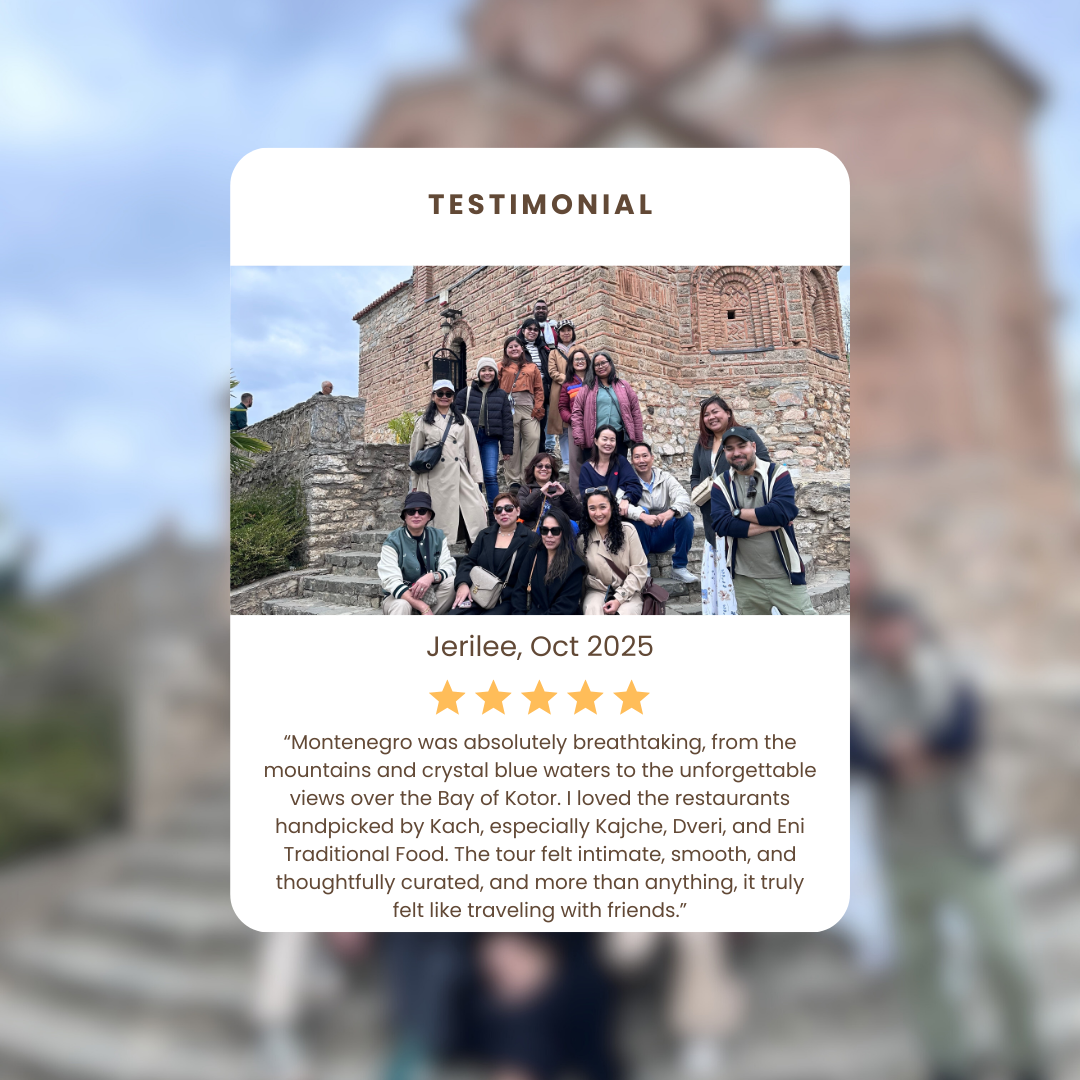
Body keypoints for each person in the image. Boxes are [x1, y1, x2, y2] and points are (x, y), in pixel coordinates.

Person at [851, 594, 1044, 1080]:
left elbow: (963, 737)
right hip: (903, 852)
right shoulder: (857, 690)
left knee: (1006, 955)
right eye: (880, 630)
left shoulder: (951, 676)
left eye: (897, 627)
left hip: (965, 844)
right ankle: (949, 1061)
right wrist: (904, 758)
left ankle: (1027, 1058)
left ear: (912, 629)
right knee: (920, 968)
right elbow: (856, 756)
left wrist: (906, 751)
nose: (890, 638)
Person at [710, 427, 814, 615]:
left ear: (753, 446)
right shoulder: (721, 484)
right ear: (724, 452)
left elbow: (781, 512)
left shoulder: (777, 474)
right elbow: (722, 524)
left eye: (742, 446)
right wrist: (770, 525)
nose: (736, 453)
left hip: (785, 576)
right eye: (730, 448)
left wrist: (736, 512)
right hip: (745, 579)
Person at [691, 397, 764, 616]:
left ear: (728, 412)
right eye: (706, 414)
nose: (711, 417)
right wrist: (700, 490)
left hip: (739, 516)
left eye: (715, 412)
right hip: (713, 519)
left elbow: (763, 467)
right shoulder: (703, 444)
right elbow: (695, 475)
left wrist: (746, 498)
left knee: (743, 582)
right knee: (721, 581)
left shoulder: (747, 434)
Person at [409, 380, 489, 545]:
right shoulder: (424, 421)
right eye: (440, 393)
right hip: (433, 475)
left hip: (459, 472)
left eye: (448, 394)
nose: (444, 397)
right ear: (433, 396)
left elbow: (472, 452)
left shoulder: (463, 420)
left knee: (476, 511)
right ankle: (437, 551)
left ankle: (473, 547)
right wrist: (415, 483)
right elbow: (415, 455)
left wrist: (476, 480)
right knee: (437, 516)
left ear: (453, 397)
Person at [449, 491, 533, 615]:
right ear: (494, 515)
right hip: (478, 593)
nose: (503, 512)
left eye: (508, 508)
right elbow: (469, 561)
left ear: (518, 511)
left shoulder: (530, 538)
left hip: (507, 599)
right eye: (498, 510)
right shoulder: (484, 535)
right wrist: (462, 584)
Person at [626, 442, 697, 584]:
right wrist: (643, 516)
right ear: (632, 461)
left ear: (652, 458)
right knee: (640, 514)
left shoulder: (665, 477)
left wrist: (671, 511)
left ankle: (679, 567)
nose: (641, 460)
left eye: (645, 456)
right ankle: (643, 567)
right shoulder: (627, 479)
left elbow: (683, 496)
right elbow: (618, 503)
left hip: (662, 532)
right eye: (637, 457)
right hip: (639, 536)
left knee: (686, 517)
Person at [377, 491, 456, 615]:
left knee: (453, 582)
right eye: (411, 511)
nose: (416, 515)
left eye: (422, 511)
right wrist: (422, 606)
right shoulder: (393, 541)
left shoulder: (438, 536)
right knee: (402, 605)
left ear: (429, 515)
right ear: (405, 516)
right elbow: (391, 580)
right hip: (400, 597)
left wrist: (431, 576)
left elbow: (449, 566)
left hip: (429, 593)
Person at [455, 358, 514, 513]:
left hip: (490, 439)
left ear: (495, 372)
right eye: (483, 370)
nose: (487, 373)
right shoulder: (466, 392)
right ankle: (477, 511)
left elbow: (507, 422)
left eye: (490, 370)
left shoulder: (501, 395)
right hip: (470, 439)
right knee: (474, 476)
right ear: (478, 373)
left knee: (490, 475)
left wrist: (507, 449)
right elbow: (456, 417)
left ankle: (495, 513)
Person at [579, 488, 648, 616]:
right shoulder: (583, 540)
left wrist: (618, 598)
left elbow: (639, 569)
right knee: (592, 609)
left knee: (626, 613)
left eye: (603, 507)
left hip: (629, 590)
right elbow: (582, 574)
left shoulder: (628, 531)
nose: (598, 513)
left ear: (611, 507)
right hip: (597, 590)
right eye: (592, 508)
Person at [510, 507, 585, 615]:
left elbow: (564, 606)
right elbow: (519, 590)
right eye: (544, 530)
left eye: (555, 531)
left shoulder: (575, 566)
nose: (549, 535)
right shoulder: (533, 554)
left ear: (564, 532)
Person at [570, 350, 643, 461]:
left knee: (617, 469)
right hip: (594, 438)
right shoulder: (586, 388)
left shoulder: (623, 386)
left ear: (610, 363)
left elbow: (635, 411)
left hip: (618, 438)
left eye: (603, 363)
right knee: (594, 469)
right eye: (596, 365)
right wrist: (579, 436)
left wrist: (638, 438)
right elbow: (577, 413)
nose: (600, 367)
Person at [498, 335, 545, 490]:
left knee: (533, 438)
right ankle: (513, 481)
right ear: (506, 350)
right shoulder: (500, 366)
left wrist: (538, 407)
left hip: (528, 407)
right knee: (511, 443)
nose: (514, 349)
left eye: (516, 346)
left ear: (522, 348)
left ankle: (527, 477)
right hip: (508, 408)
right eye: (510, 347)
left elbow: (539, 389)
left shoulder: (532, 367)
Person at [577, 425, 642, 516]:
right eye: (604, 439)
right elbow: (586, 496)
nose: (608, 443)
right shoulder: (586, 468)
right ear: (596, 441)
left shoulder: (620, 461)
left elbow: (634, 484)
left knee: (644, 511)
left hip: (621, 511)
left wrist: (627, 498)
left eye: (612, 440)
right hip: (598, 514)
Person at [517, 452, 582, 530]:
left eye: (548, 466)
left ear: (552, 470)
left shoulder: (562, 487)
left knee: (573, 525)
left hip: (559, 530)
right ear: (533, 469)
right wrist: (539, 493)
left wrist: (565, 495)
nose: (544, 469)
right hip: (535, 530)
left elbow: (578, 514)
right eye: (539, 466)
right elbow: (521, 513)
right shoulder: (525, 489)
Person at [518, 316, 553, 454]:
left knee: (540, 423)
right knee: (525, 425)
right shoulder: (517, 347)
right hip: (525, 390)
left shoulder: (543, 349)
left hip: (542, 390)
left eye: (536, 329)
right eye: (529, 329)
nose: (532, 332)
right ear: (523, 330)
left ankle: (540, 456)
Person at [559, 347, 590, 488]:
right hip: (575, 425)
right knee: (575, 460)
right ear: (572, 363)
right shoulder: (567, 384)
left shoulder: (595, 381)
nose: (580, 361)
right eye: (576, 359)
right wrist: (571, 419)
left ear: (587, 361)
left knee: (595, 458)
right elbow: (562, 407)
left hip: (595, 425)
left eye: (582, 359)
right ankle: (577, 496)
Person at [544, 320, 574, 456]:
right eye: (563, 330)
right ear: (558, 333)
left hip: (578, 390)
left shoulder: (580, 349)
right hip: (560, 391)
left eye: (569, 330)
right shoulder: (554, 353)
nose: (566, 333)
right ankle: (567, 461)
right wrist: (568, 380)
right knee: (563, 427)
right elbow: (552, 372)